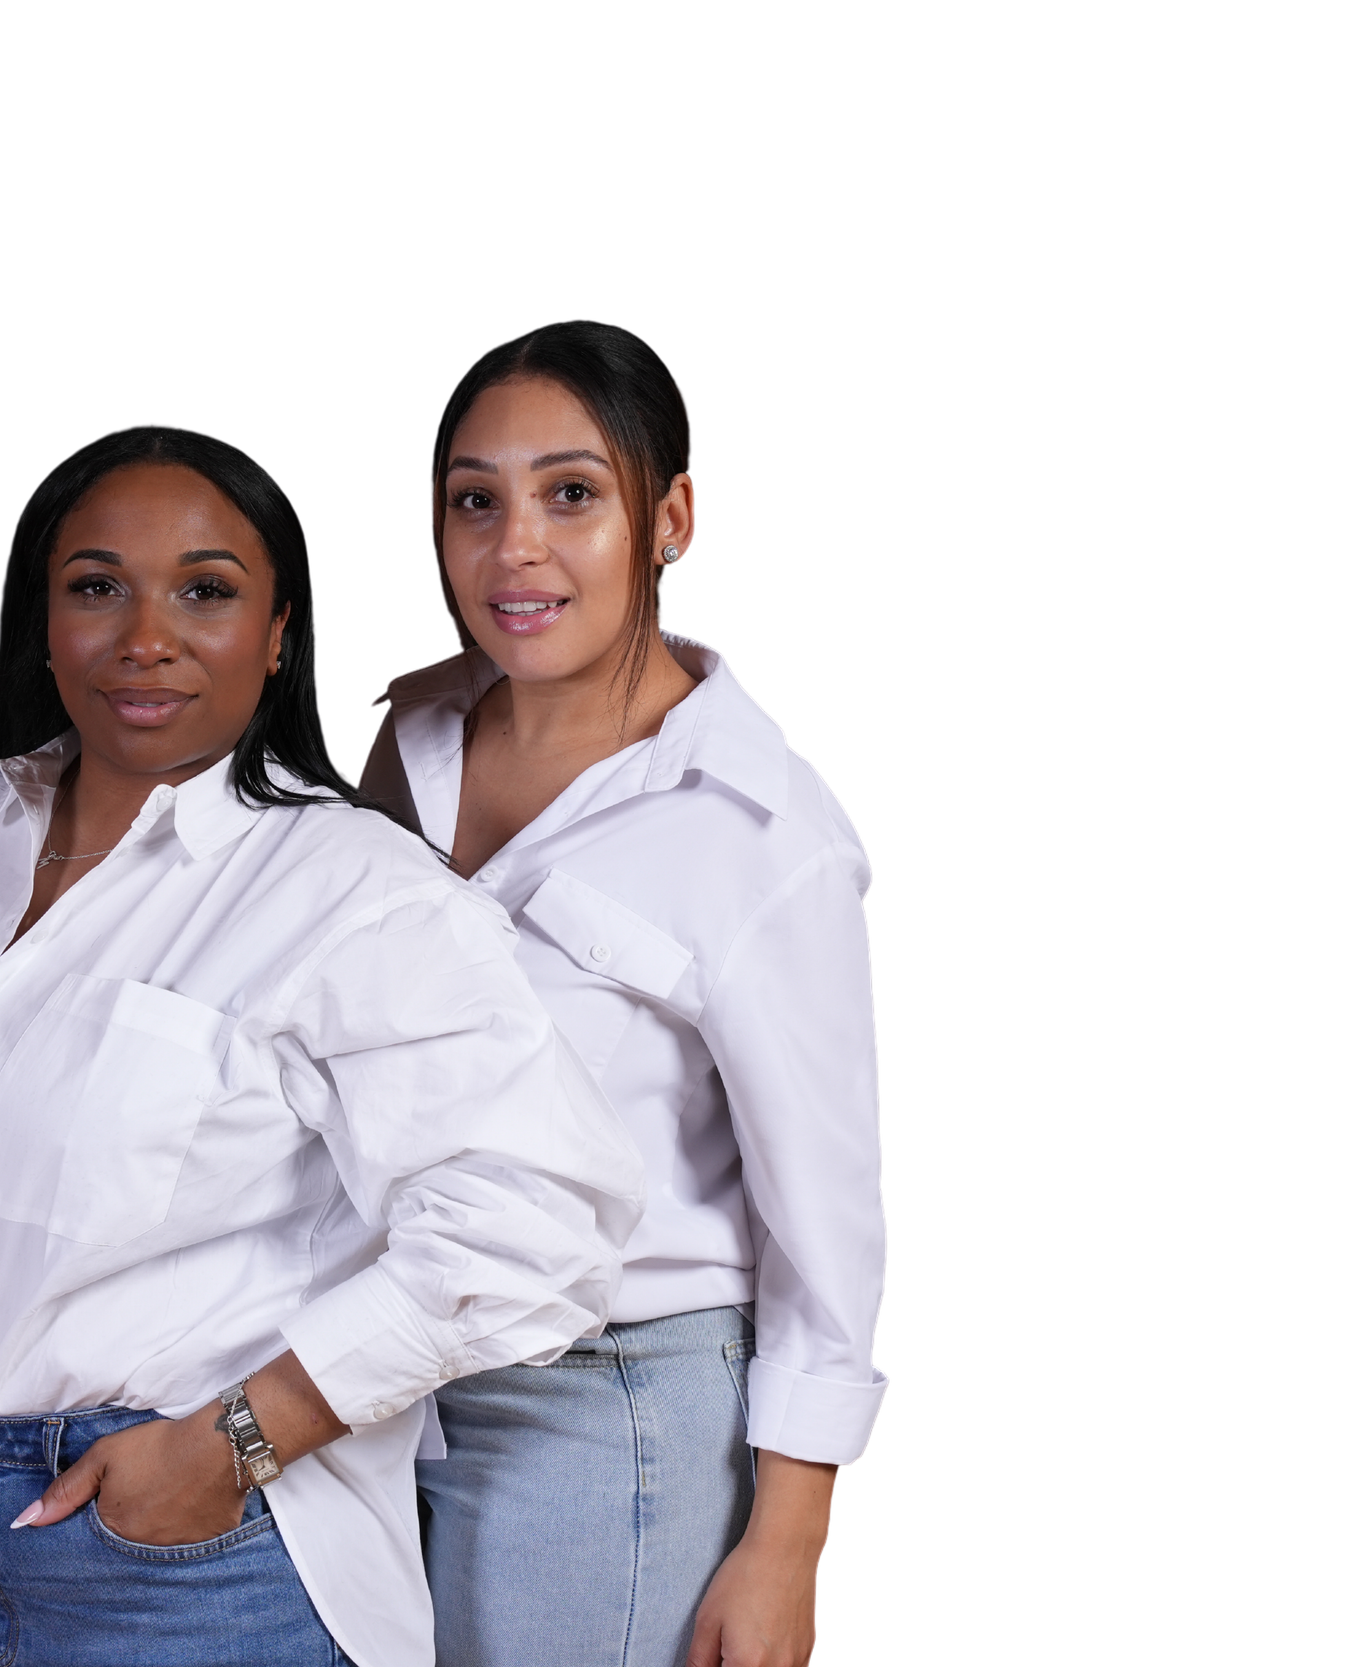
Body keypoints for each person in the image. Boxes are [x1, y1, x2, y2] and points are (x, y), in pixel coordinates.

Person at [0, 424, 645, 1667]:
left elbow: (542, 1213)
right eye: (96, 585)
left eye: (206, 590)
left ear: (278, 634)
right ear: (44, 618)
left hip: (184, 1570)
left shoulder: (347, 886)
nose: (143, 636)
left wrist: (233, 1445)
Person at [364, 323, 889, 1667]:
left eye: (572, 494)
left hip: (607, 1407)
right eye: (475, 499)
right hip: (374, 1386)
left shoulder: (762, 826)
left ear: (669, 517)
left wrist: (788, 1540)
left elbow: (825, 1229)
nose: (514, 547)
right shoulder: (407, 738)